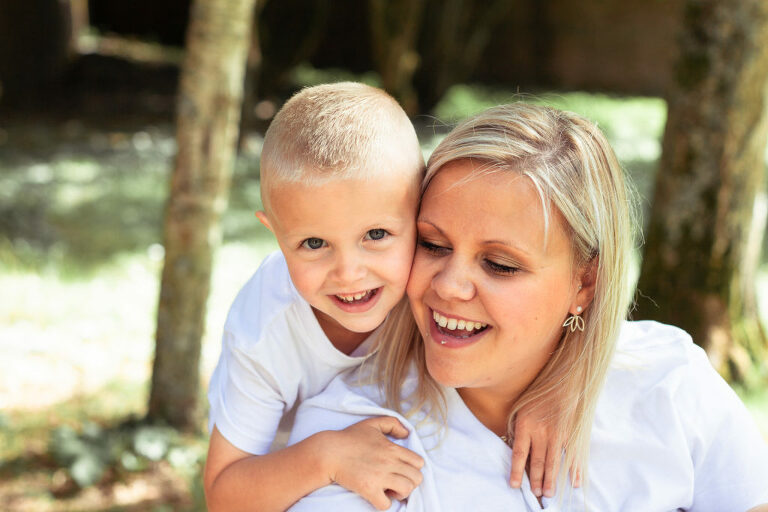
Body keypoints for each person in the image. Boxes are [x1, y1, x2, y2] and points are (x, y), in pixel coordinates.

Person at [285, 103, 768, 511]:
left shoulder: (669, 382)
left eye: (499, 264)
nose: (450, 286)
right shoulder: (354, 431)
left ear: (585, 283)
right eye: (433, 245)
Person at [203, 84, 571, 512]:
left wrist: (552, 390)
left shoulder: (428, 277)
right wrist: (326, 458)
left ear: (420, 216)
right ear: (275, 232)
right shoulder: (265, 332)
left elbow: (551, 312)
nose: (349, 273)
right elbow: (223, 495)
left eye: (375, 235)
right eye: (313, 243)